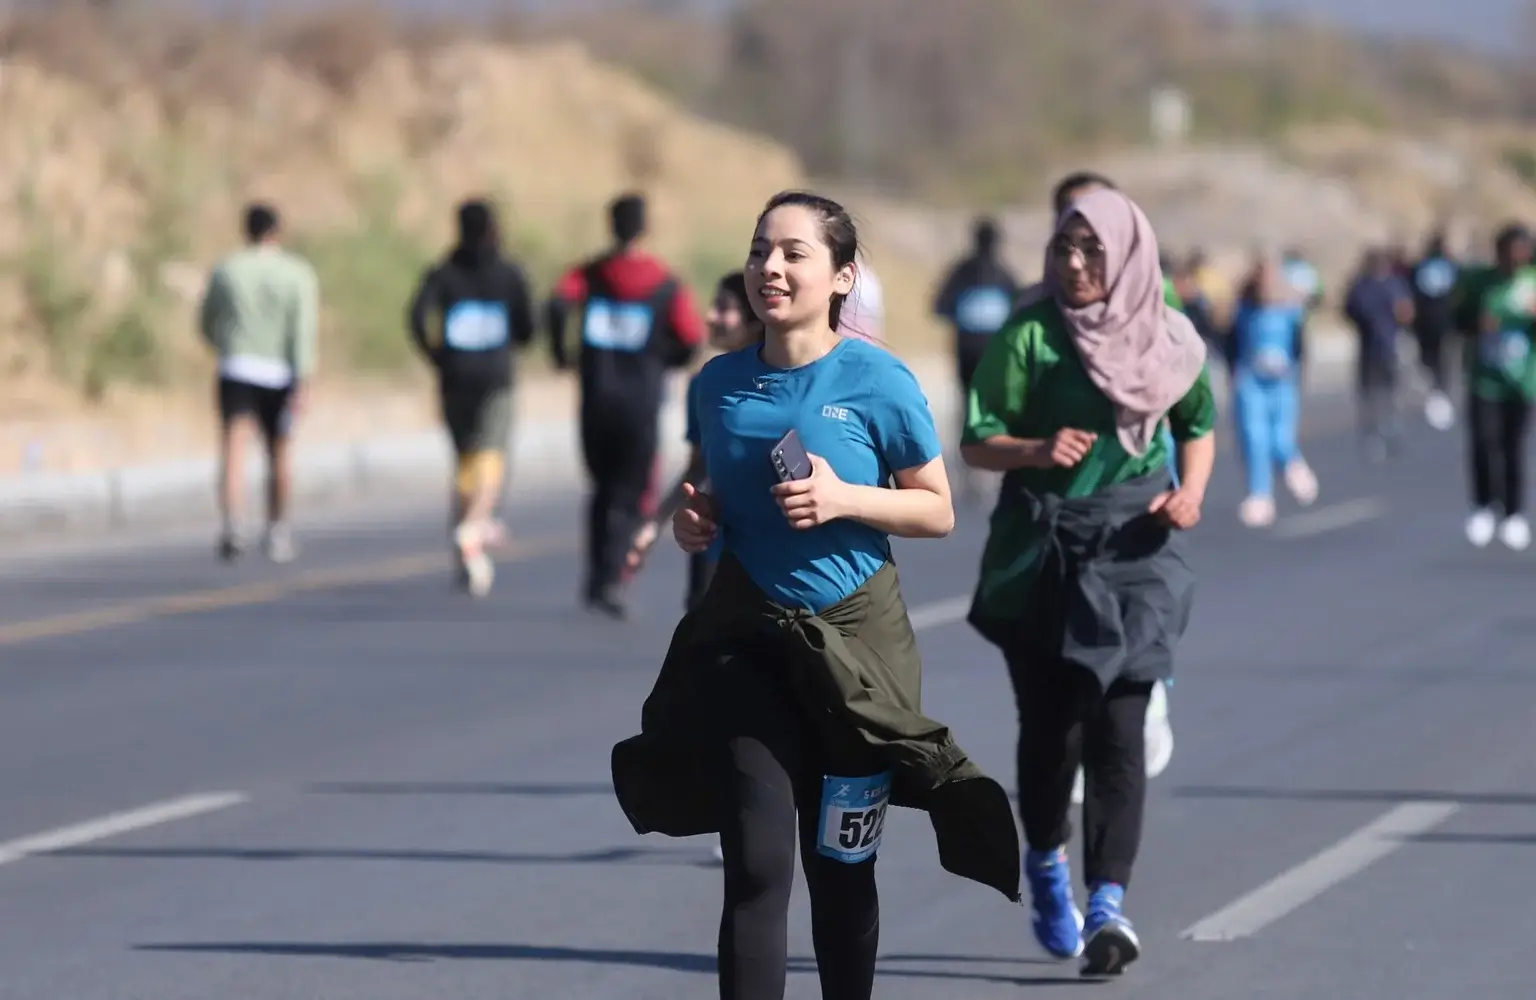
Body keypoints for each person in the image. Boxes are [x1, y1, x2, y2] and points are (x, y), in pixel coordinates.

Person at [611, 190, 1021, 1000]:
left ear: (841, 276)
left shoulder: (877, 379)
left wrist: (846, 499)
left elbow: (936, 507)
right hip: (749, 642)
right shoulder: (721, 383)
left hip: (856, 655)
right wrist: (698, 519)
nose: (771, 268)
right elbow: (716, 488)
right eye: (762, 249)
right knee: (756, 870)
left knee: (839, 868)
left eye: (795, 253)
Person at [961, 187, 1215, 977]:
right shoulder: (1031, 334)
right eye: (1064, 249)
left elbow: (1196, 424)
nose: (1074, 263)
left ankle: (1108, 902)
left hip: (1137, 543)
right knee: (1055, 732)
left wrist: (1191, 492)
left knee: (1122, 726)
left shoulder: (1165, 332)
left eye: (1091, 250)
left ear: (1128, 256)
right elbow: (976, 439)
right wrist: (1034, 450)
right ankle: (1045, 860)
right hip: (1045, 549)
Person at [1049, 170, 1178, 805]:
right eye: (1068, 224)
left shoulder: (1156, 298)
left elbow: (1191, 407)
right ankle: (1075, 744)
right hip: (1058, 503)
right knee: (1068, 624)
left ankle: (1146, 700)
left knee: (1141, 619)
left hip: (1139, 495)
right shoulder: (1037, 311)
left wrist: (1179, 487)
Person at [547, 192, 705, 619]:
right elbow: (691, 338)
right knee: (633, 493)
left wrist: (563, 355)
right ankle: (616, 577)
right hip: (641, 404)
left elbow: (557, 303)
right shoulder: (664, 282)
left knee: (601, 491)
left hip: (596, 400)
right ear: (644, 227)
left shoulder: (591, 274)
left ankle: (596, 576)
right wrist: (661, 361)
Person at [407, 198, 536, 596]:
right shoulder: (508, 272)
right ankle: (474, 525)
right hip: (495, 376)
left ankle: (468, 553)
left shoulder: (443, 272)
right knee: (492, 453)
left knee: (464, 458)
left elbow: (415, 315)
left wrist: (435, 355)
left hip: (455, 375)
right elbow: (528, 325)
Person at [626, 271, 764, 612]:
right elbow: (698, 468)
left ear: (754, 321)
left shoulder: (783, 382)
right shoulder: (703, 385)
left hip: (769, 554)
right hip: (713, 550)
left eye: (724, 308)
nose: (710, 317)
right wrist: (653, 524)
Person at [198, 202, 319, 565]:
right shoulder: (297, 273)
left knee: (234, 448)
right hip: (280, 374)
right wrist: (305, 379)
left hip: (237, 367)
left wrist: (225, 344)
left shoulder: (228, 270)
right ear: (277, 232)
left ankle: (234, 524)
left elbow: (206, 321)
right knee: (279, 452)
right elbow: (303, 331)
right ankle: (278, 529)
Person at [932, 215, 1022, 500]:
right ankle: (986, 463)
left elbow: (939, 306)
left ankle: (970, 463)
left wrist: (964, 316)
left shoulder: (961, 271)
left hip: (966, 351)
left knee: (966, 404)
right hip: (994, 356)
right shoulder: (1004, 273)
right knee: (990, 406)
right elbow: (1021, 310)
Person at [1459, 223, 1536, 551]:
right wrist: (1477, 324)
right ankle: (1483, 506)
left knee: (1512, 445)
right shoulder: (1481, 282)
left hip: (1522, 379)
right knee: (1482, 442)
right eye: (1510, 254)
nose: (1515, 261)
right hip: (1485, 378)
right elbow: (1456, 319)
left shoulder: (1532, 283)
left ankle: (1514, 513)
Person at [1229, 258, 1318, 527]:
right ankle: (1260, 496)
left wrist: (1300, 376)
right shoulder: (1244, 311)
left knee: (1280, 438)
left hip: (1282, 382)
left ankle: (1293, 465)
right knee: (1255, 438)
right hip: (1251, 381)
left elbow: (1301, 347)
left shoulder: (1291, 312)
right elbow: (1231, 342)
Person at [1345, 248, 1415, 460]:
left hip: (1386, 347)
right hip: (1374, 348)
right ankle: (1376, 434)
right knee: (1373, 395)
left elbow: (1405, 312)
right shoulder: (1366, 287)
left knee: (1387, 393)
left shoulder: (1388, 285)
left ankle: (1388, 431)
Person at [1410, 230, 1461, 431]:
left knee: (1433, 355)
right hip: (1438, 317)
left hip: (1430, 317)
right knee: (1437, 354)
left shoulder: (1427, 266)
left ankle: (1437, 386)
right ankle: (1438, 386)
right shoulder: (1444, 266)